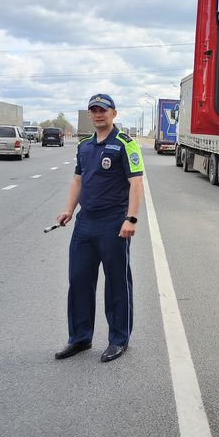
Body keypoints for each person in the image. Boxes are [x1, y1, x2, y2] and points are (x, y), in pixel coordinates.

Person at [54, 94, 144, 362]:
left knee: (117, 283)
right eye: (93, 110)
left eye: (102, 110)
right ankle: (80, 337)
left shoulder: (126, 144)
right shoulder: (84, 146)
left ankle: (119, 339)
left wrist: (131, 219)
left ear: (113, 113)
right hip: (85, 223)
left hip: (113, 223)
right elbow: (78, 180)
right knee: (79, 281)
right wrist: (69, 210)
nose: (97, 114)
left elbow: (136, 183)